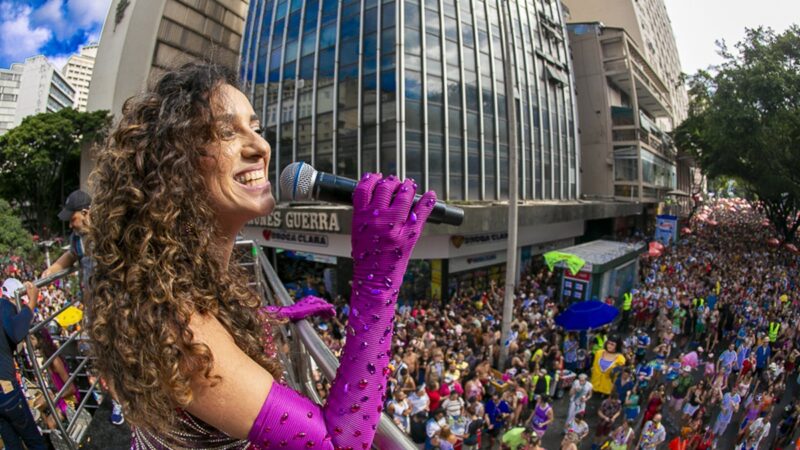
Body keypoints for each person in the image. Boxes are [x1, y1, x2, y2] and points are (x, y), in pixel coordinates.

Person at [85, 62, 438, 449]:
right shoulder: (180, 330)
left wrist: (278, 315)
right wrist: (377, 280)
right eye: (225, 132)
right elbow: (342, 445)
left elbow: (220, 341)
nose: (260, 147)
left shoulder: (178, 281)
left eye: (255, 128)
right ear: (173, 168)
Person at [43, 190, 126, 426]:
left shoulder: (111, 229)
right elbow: (69, 257)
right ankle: (119, 403)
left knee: (127, 352)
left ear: (87, 213)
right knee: (104, 357)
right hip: (96, 309)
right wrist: (50, 272)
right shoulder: (77, 240)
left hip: (120, 305)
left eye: (73, 219)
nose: (70, 224)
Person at [0, 279, 47, 449]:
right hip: (6, 389)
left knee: (12, 443)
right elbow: (16, 332)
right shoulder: (4, 306)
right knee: (34, 440)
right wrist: (32, 302)